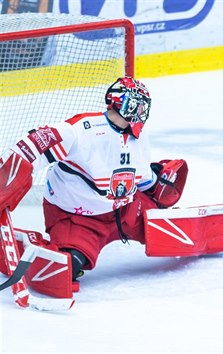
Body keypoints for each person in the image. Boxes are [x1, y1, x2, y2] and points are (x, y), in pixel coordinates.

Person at [0, 77, 188, 293]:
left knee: (167, 228)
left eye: (144, 106)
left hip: (126, 209)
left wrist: (157, 185)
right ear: (120, 102)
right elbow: (31, 148)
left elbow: (141, 174)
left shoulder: (140, 136)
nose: (141, 112)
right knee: (66, 267)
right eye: (137, 104)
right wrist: (6, 180)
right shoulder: (81, 130)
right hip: (77, 218)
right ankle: (23, 247)